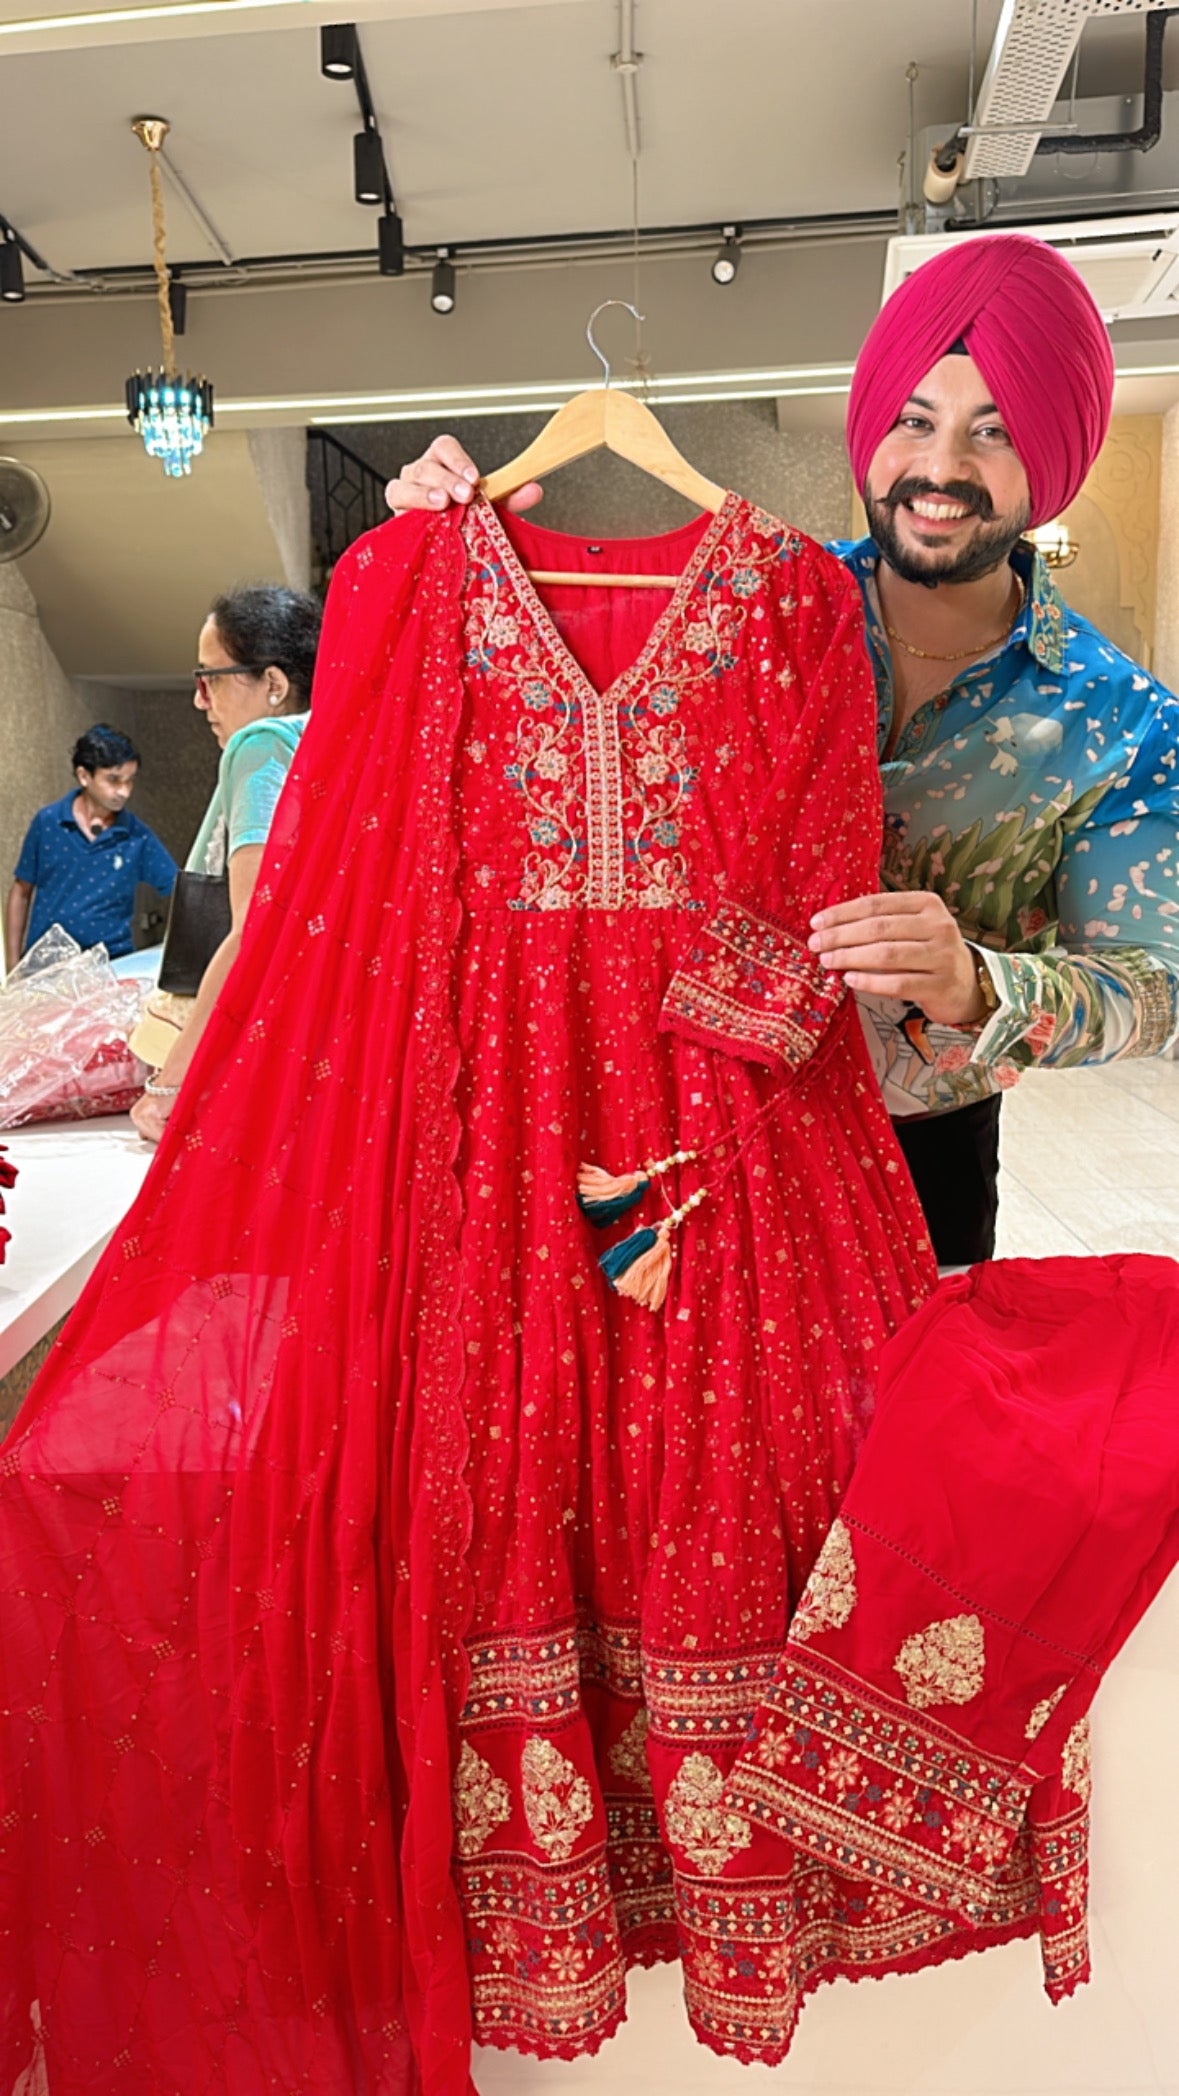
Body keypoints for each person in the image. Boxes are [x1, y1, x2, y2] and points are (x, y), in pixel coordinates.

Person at [386, 234, 1179, 1266]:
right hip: (690, 1124)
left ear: (1058, 456)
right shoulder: (751, 607)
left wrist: (982, 983)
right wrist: (443, 550)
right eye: (914, 420)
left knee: (902, 1418)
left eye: (996, 433)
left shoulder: (1119, 722)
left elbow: (1157, 986)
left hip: (920, 1150)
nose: (942, 469)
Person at [129, 583, 322, 1145]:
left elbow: (254, 927)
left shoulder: (264, 743)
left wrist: (168, 1086)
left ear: (274, 683)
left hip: (250, 1053)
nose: (199, 699)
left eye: (209, 677)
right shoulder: (342, 740)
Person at [4, 723, 176, 969]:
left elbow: (181, 889)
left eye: (130, 781)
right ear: (84, 776)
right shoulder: (48, 822)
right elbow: (21, 891)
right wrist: (13, 965)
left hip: (111, 966)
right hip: (45, 967)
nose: (124, 792)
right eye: (114, 780)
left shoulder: (137, 836)